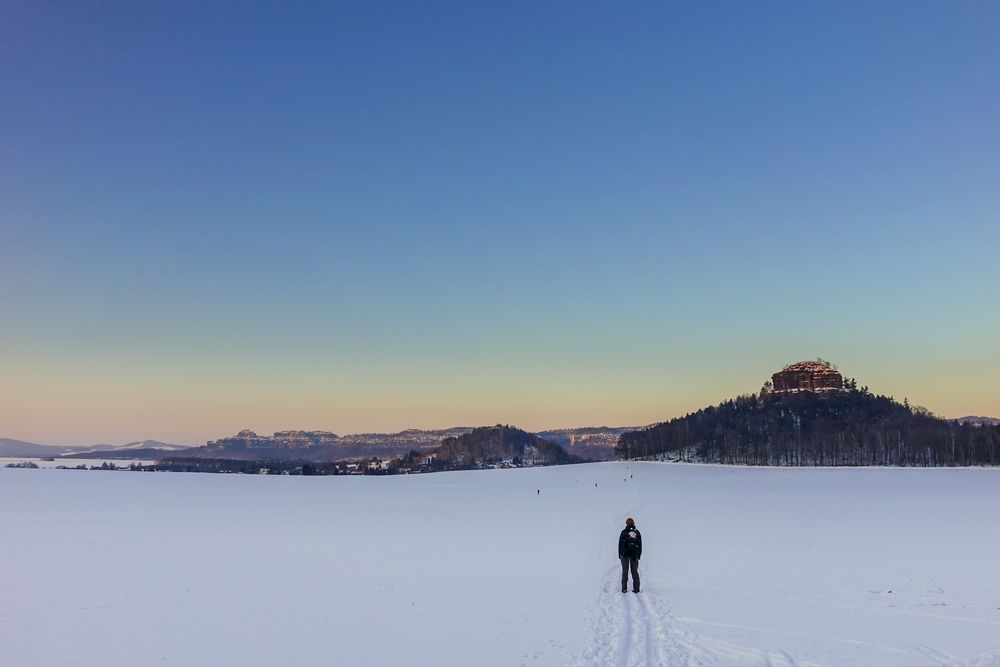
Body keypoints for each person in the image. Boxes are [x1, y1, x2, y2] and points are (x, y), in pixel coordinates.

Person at [618, 517, 642, 593]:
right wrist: (639, 555)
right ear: (634, 523)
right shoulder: (637, 532)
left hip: (624, 554)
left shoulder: (624, 532)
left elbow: (620, 543)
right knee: (634, 571)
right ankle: (636, 589)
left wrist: (620, 554)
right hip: (634, 554)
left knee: (625, 571)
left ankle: (624, 589)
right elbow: (640, 544)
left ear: (626, 523)